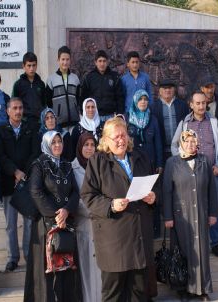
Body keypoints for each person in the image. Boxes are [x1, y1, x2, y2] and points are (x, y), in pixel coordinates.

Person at [81, 117, 157, 302]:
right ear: (106, 140)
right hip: (114, 240)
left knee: (139, 293)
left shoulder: (141, 156)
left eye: (123, 135)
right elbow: (88, 196)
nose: (121, 140)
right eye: (115, 137)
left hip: (139, 237)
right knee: (113, 294)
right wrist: (111, 205)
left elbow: (155, 186)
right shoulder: (98, 162)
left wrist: (153, 197)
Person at [25, 130, 81, 302]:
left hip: (65, 225)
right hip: (46, 225)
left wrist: (66, 211)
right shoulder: (39, 164)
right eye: (54, 142)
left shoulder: (67, 164)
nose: (57, 145)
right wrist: (56, 216)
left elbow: (75, 193)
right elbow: (35, 192)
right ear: (47, 144)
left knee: (67, 269)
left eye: (60, 142)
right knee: (46, 273)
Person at [163, 129, 218, 301]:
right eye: (186, 141)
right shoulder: (172, 162)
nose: (190, 144)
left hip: (201, 213)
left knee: (201, 252)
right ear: (181, 143)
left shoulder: (204, 161)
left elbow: (212, 190)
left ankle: (202, 289)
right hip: (181, 217)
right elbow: (166, 191)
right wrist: (168, 216)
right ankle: (184, 289)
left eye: (193, 141)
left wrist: (213, 213)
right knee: (183, 251)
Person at [171, 91, 218, 257]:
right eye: (198, 103)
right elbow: (174, 145)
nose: (201, 106)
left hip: (212, 173)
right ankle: (196, 242)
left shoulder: (214, 122)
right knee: (194, 207)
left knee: (213, 206)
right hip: (191, 174)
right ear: (191, 104)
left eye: (203, 103)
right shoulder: (185, 124)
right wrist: (183, 164)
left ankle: (215, 242)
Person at [0, 97, 40, 272]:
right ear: (7, 110)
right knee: (10, 224)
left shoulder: (31, 128)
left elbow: (35, 153)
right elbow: (0, 156)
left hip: (27, 184)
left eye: (20, 108)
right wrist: (14, 172)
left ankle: (29, 256)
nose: (18, 111)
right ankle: (12, 258)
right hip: (8, 183)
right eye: (14, 108)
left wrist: (23, 173)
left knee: (28, 223)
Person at [127, 89, 163, 238]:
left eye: (145, 99)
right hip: (135, 165)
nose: (143, 102)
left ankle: (154, 230)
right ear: (135, 101)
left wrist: (160, 163)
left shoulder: (153, 119)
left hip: (151, 164)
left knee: (151, 195)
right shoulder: (128, 118)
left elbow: (158, 143)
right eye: (140, 99)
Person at [72, 132, 102, 302]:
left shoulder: (101, 165)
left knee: (100, 271)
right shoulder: (72, 167)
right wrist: (95, 210)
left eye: (92, 144)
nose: (90, 148)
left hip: (101, 225)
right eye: (86, 145)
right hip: (83, 225)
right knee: (86, 271)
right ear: (80, 147)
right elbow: (74, 197)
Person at [150, 78, 189, 162]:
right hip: (162, 150)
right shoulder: (153, 107)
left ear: (174, 90)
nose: (167, 90)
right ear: (159, 91)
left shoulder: (182, 105)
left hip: (180, 149)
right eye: (164, 88)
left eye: (170, 88)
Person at [81, 50, 124, 122]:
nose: (102, 64)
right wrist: (83, 113)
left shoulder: (114, 77)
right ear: (95, 62)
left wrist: (119, 114)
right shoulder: (89, 77)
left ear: (107, 62)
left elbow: (120, 97)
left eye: (104, 61)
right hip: (94, 116)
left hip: (111, 116)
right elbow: (84, 97)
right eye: (100, 61)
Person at [46, 46, 81, 130]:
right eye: (63, 59)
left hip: (74, 122)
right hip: (59, 123)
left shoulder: (75, 78)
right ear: (58, 60)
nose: (65, 62)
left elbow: (79, 98)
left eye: (67, 59)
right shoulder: (51, 79)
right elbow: (48, 102)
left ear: (70, 60)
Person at [12, 52, 47, 128]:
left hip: (39, 123)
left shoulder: (41, 84)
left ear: (36, 66)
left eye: (34, 65)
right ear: (23, 66)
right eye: (29, 65)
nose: (31, 68)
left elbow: (44, 104)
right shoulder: (18, 84)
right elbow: (13, 105)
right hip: (23, 123)